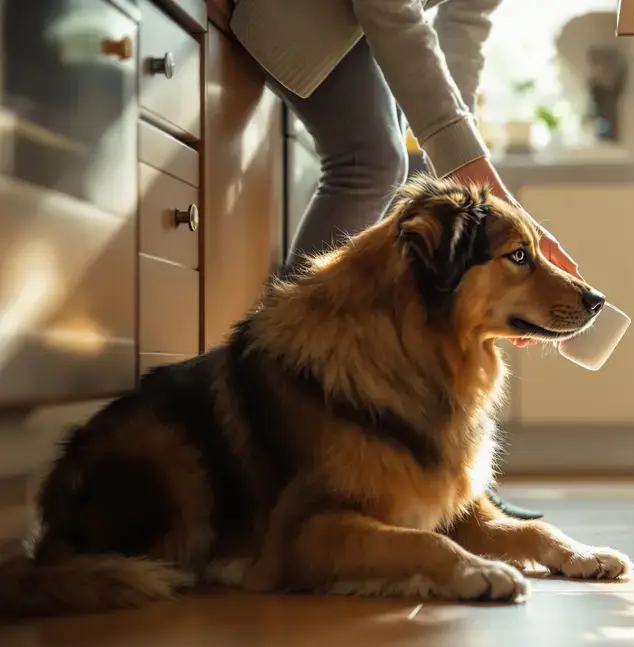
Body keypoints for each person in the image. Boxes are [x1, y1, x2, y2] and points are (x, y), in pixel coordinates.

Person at [229, 0, 560, 516]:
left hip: (353, 19)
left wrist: (458, 158)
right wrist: (474, 174)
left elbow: (466, 22)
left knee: (396, 162)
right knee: (371, 160)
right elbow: (390, 8)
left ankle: (438, 467)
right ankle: (282, 390)